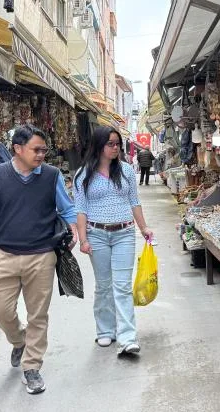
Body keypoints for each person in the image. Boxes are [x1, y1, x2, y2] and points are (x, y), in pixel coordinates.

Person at [0, 125, 78, 395]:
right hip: (4, 254)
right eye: (37, 149)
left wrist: (75, 231)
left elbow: (67, 207)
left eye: (45, 149)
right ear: (18, 149)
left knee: (38, 315)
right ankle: (19, 340)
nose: (42, 154)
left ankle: (31, 367)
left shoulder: (51, 175)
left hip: (41, 256)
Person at [74, 126, 153, 355]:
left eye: (118, 143)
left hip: (124, 234)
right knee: (104, 286)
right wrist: (83, 239)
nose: (116, 147)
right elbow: (81, 210)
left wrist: (144, 227)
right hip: (96, 234)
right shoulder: (83, 174)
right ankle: (105, 331)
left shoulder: (127, 171)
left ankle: (128, 337)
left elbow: (134, 202)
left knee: (122, 287)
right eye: (111, 143)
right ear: (99, 146)